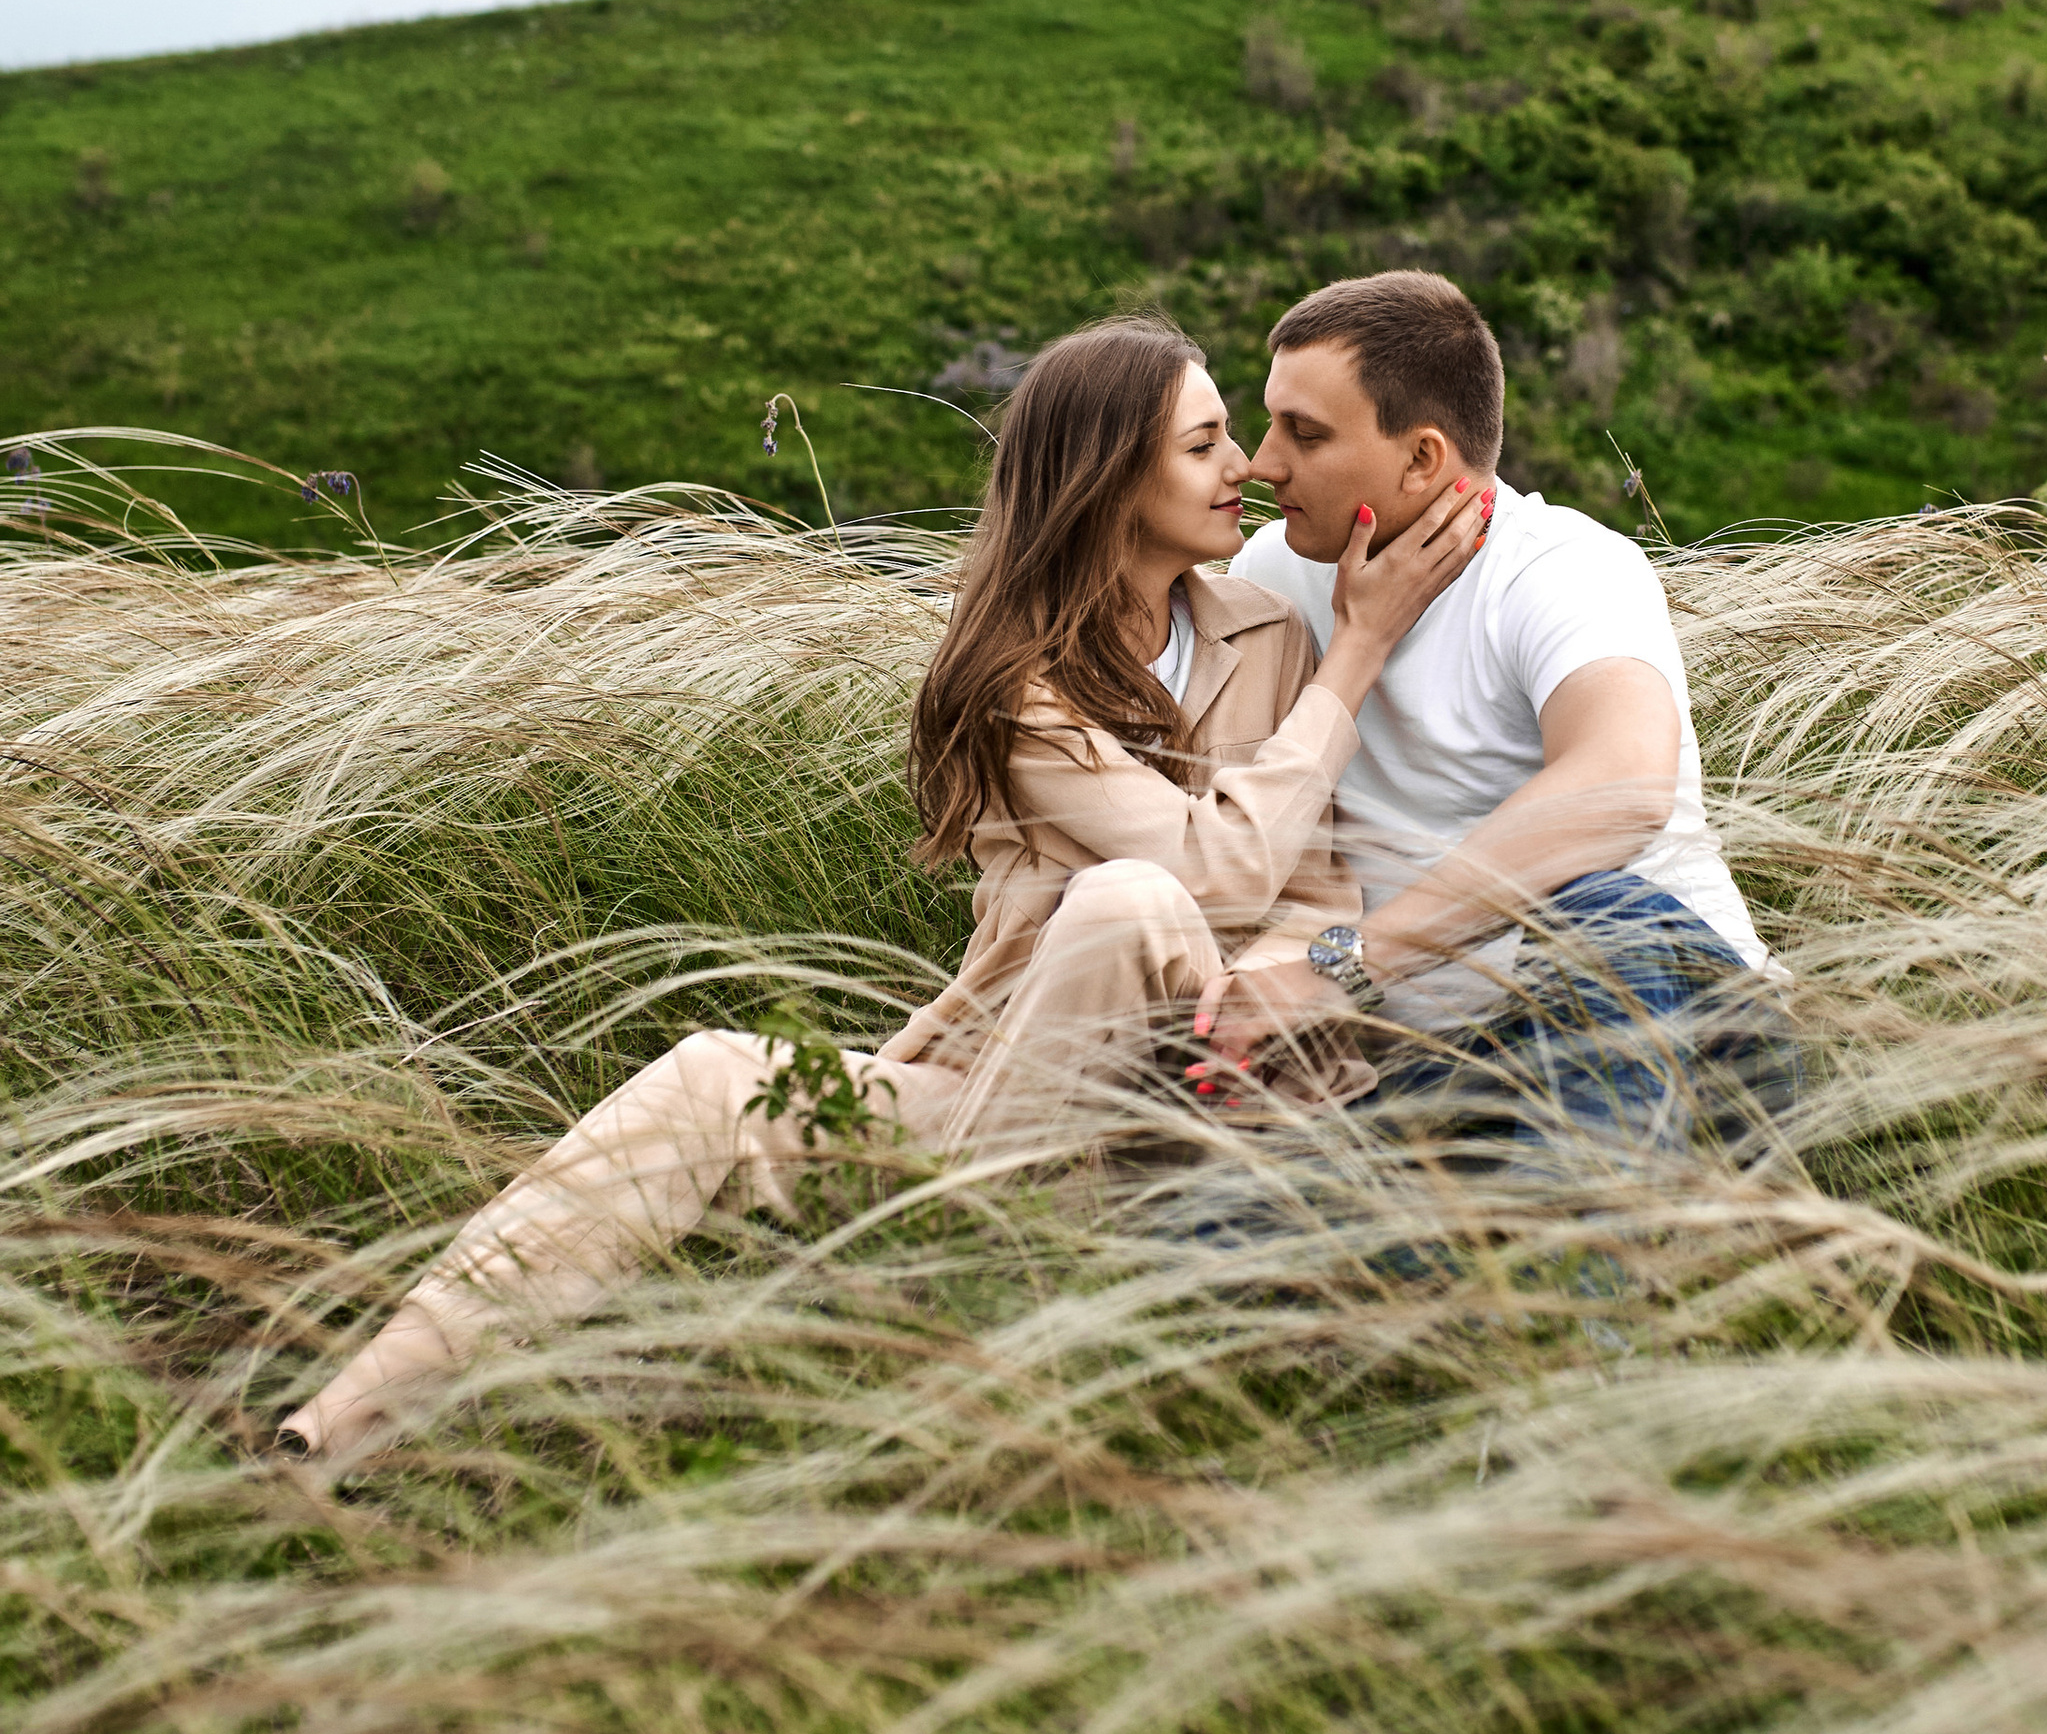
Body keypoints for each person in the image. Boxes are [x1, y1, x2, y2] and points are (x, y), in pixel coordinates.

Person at [276, 316, 1486, 1469]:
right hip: (1017, 1090)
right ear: (1111, 479)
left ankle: (942, 1271)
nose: (1248, 468)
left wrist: (1269, 989)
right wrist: (1363, 652)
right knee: (714, 1077)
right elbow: (1203, 866)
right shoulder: (1018, 682)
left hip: (1203, 1091)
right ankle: (337, 1430)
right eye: (1204, 443)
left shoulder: (1267, 636)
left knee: (1129, 905)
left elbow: (1311, 881)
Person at [1195, 269, 1792, 1146]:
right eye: (1269, 420)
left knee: (1604, 915)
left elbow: (1622, 784)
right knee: (1222, 1226)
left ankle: (1579, 1250)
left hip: (1689, 1029)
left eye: (1305, 433)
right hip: (1443, 1072)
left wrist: (1349, 969)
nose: (1261, 462)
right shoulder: (1274, 572)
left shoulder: (1562, 568)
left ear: (1423, 458)